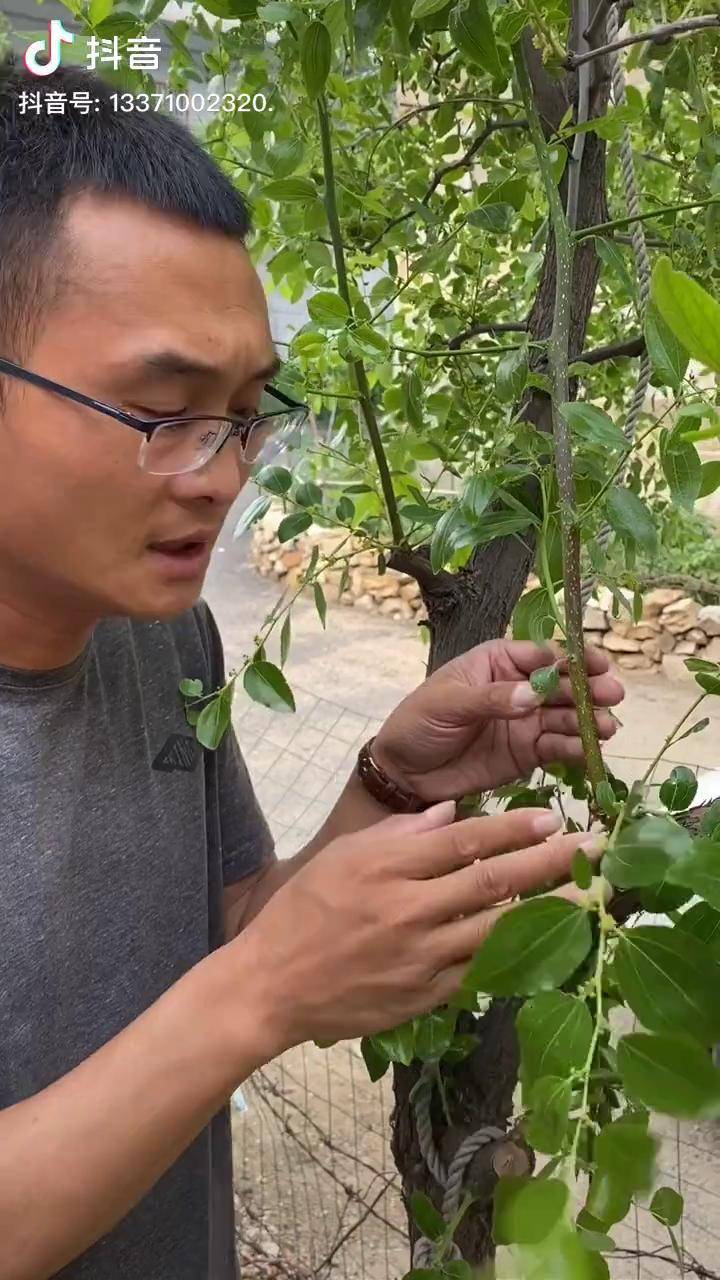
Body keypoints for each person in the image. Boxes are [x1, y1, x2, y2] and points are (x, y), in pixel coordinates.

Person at [0, 56, 624, 1280]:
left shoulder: (159, 634)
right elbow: (240, 991)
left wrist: (394, 777)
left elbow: (224, 934)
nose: (227, 474)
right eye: (162, 411)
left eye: (244, 409)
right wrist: (256, 1004)